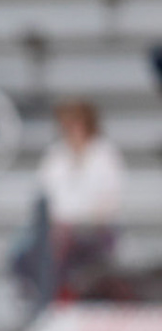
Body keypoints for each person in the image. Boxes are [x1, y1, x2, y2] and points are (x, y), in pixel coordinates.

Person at [18, 98, 124, 296]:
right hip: (58, 230)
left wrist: (75, 222)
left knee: (61, 250)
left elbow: (108, 201)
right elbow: (43, 192)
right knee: (23, 253)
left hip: (94, 230)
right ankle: (48, 297)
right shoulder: (56, 154)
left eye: (75, 123)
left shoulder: (105, 155)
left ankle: (60, 296)